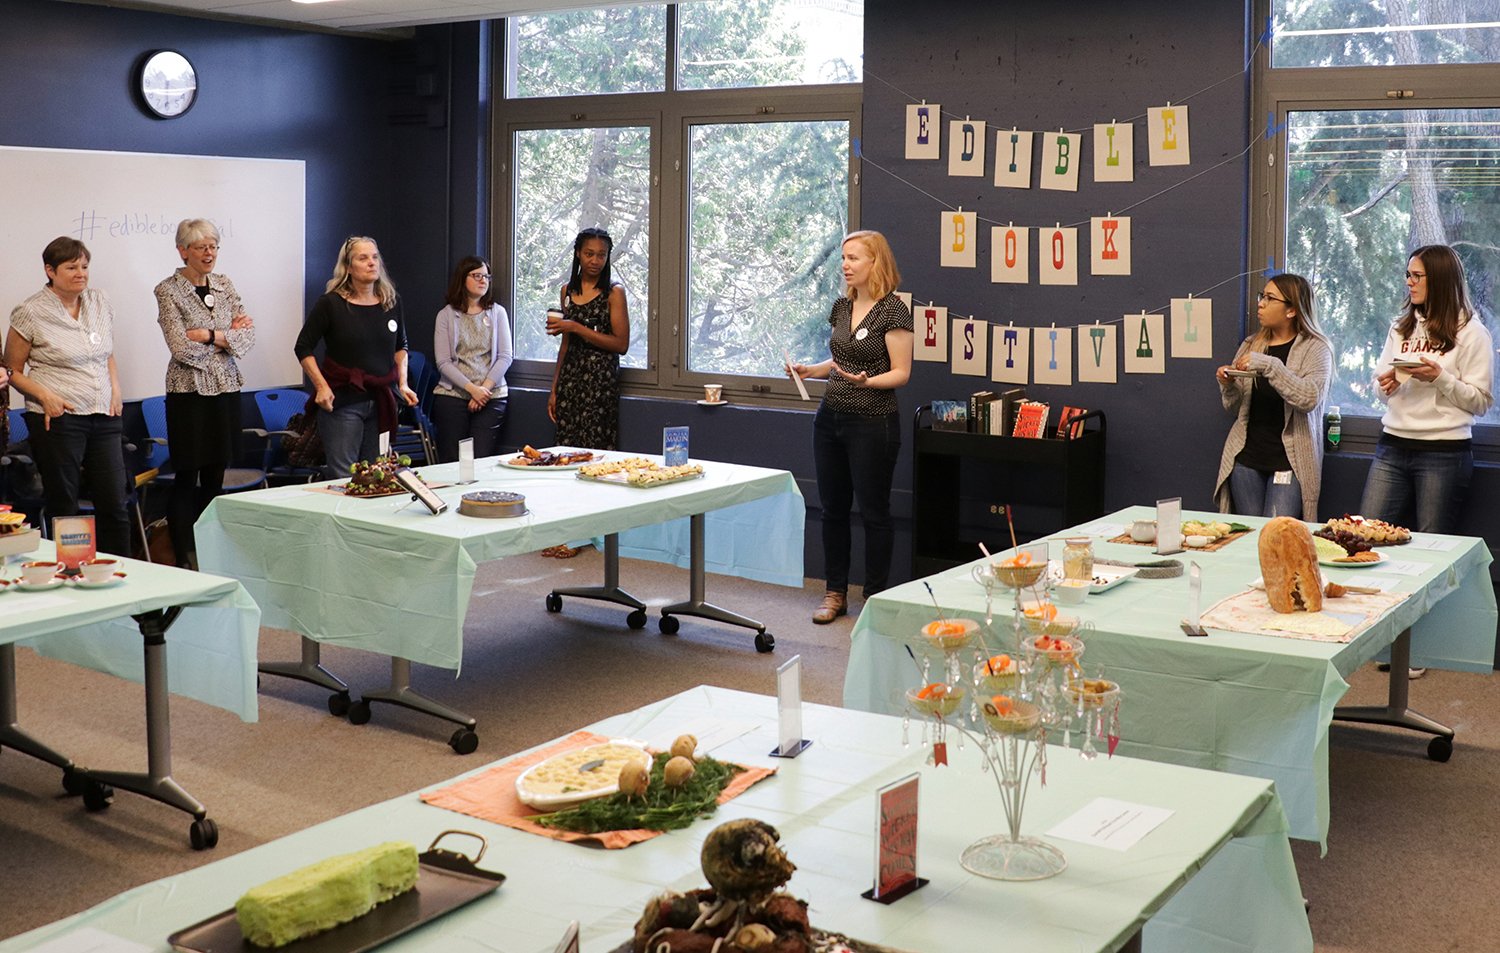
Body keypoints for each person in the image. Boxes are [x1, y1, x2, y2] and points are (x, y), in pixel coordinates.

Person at [788, 231, 913, 623]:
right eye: (844, 257)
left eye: (854, 258)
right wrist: (811, 370)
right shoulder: (842, 306)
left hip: (873, 423)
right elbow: (839, 359)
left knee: (874, 513)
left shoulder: (894, 310)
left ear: (876, 263)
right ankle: (834, 593)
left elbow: (901, 373)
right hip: (830, 419)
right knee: (832, 510)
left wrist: (867, 382)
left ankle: (873, 598)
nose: (845, 264)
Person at [3, 236, 130, 557]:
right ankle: (72, 572)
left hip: (104, 415)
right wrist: (45, 396)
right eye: (71, 267)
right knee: (65, 503)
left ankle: (125, 574)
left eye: (85, 266)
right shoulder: (30, 311)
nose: (81, 273)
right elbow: (12, 370)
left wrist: (116, 388)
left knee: (114, 502)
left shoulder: (100, 302)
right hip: (58, 419)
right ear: (50, 270)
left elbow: (106, 353)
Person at [1361, 244, 1494, 535]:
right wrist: (1388, 385)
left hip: (1444, 453)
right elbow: (1378, 388)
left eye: (1417, 276)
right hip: (1392, 445)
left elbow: (1482, 402)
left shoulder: (1472, 332)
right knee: (1366, 533)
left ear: (1441, 279)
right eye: (1408, 275)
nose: (1409, 282)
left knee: (1432, 542)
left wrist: (1439, 378)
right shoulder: (1400, 327)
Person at [154, 219, 255, 567]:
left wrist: (209, 335)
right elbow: (180, 348)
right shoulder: (167, 290)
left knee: (215, 477)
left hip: (226, 388)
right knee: (187, 477)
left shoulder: (225, 284)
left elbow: (248, 337)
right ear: (183, 251)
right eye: (200, 247)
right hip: (189, 393)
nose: (209, 253)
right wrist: (227, 336)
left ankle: (211, 555)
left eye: (213, 246)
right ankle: (183, 559)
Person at [294, 237, 419, 480]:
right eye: (363, 258)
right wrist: (321, 386)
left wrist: (402, 383)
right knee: (345, 476)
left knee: (378, 475)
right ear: (348, 267)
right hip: (344, 403)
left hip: (382, 400)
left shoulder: (391, 301)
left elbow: (401, 346)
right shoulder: (331, 303)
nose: (372, 263)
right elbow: (303, 347)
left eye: (375, 257)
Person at [1213, 273, 1332, 521]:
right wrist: (1228, 385)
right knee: (1249, 538)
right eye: (1261, 296)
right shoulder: (1250, 344)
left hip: (1289, 462)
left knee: (1277, 537)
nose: (1261, 303)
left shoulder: (1316, 348)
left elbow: (1309, 398)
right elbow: (1234, 408)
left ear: (1291, 310)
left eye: (1269, 298)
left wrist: (1269, 365)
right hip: (1246, 460)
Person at [548, 227, 629, 451]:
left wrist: (576, 327)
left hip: (600, 382)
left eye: (601, 255)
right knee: (564, 450)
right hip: (570, 379)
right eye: (589, 253)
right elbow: (565, 346)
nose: (595, 260)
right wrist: (555, 389)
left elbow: (621, 344)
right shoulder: (567, 291)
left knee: (596, 450)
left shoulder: (614, 292)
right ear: (578, 254)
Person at [432, 256, 512, 462]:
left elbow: (505, 356)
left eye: (486, 276)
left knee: (478, 460)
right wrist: (472, 390)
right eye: (477, 275)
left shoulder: (498, 313)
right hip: (453, 394)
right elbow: (443, 362)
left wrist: (483, 390)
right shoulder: (446, 315)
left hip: (491, 395)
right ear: (462, 278)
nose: (483, 280)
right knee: (451, 461)